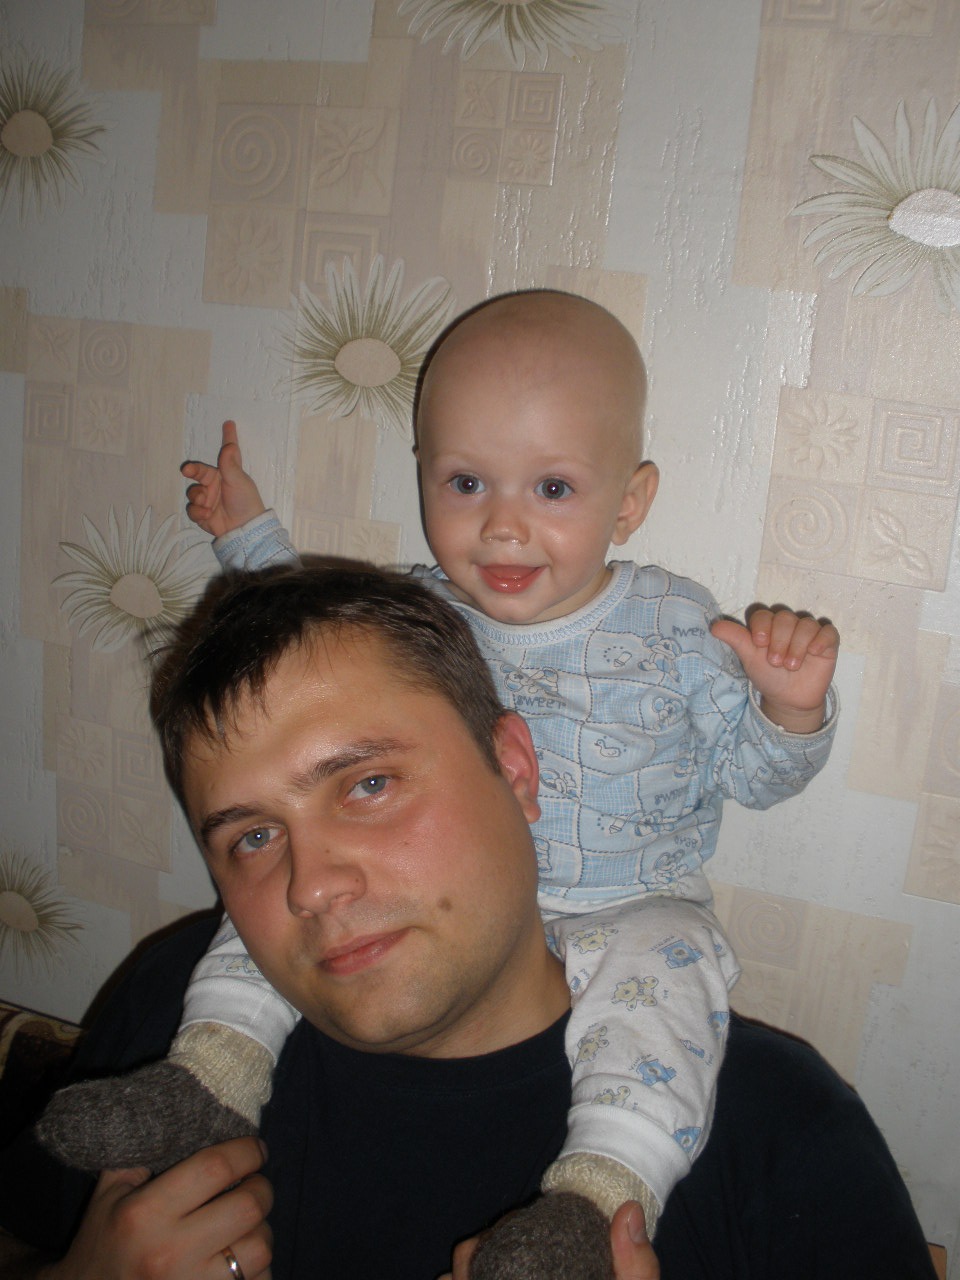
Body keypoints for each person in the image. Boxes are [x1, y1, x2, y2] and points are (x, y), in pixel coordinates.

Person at [40, 292, 840, 1259]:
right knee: (265, 924)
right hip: (433, 920)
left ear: (630, 502)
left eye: (552, 489)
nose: (502, 528)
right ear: (421, 475)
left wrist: (791, 711)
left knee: (667, 992)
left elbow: (752, 775)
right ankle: (207, 1077)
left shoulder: (677, 629)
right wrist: (245, 536)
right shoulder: (423, 613)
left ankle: (595, 1199)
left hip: (631, 900)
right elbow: (306, 639)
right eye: (465, 483)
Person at [3, 566, 935, 1279]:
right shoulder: (167, 1015)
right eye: (252, 836)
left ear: (516, 771)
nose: (311, 887)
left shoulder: (782, 1135)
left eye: (369, 784)